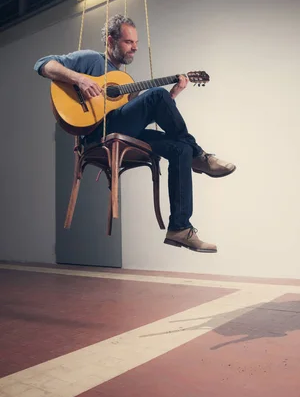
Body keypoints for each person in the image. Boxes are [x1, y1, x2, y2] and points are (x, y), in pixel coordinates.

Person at [34, 14, 236, 253]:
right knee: (156, 94)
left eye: (136, 43)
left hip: (124, 130)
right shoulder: (90, 59)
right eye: (129, 42)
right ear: (111, 40)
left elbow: (143, 115)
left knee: (179, 148)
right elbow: (43, 64)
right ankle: (200, 156)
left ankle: (180, 228)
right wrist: (79, 79)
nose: (135, 48)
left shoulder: (123, 80)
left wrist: (173, 96)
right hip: (98, 132)